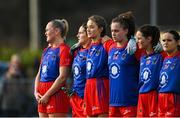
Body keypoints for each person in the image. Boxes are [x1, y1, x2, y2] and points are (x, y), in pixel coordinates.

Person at [34, 19, 72, 117]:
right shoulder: (46, 50)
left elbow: (63, 77)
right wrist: (35, 91)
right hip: (42, 94)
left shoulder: (64, 49)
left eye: (47, 30)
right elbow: (39, 73)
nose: (45, 33)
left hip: (55, 94)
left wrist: (47, 95)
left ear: (56, 31)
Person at [108, 11, 143, 117]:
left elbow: (153, 52)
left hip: (130, 101)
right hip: (113, 102)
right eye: (112, 31)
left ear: (126, 31)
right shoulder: (111, 48)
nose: (113, 33)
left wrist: (134, 40)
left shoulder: (134, 48)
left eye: (116, 31)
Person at [84, 15, 114, 117]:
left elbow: (117, 50)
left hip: (101, 85)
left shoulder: (106, 43)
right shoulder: (90, 46)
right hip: (88, 86)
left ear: (100, 29)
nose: (88, 29)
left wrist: (111, 41)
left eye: (92, 27)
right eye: (87, 27)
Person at [136, 25, 164, 117]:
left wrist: (163, 50)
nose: (137, 41)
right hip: (141, 96)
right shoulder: (142, 57)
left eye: (139, 38)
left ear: (149, 39)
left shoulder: (161, 56)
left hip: (154, 96)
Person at [69, 23, 91, 117]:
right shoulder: (76, 50)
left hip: (87, 97)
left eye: (80, 33)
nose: (77, 35)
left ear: (88, 34)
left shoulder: (94, 50)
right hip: (75, 96)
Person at [158, 30, 180, 117]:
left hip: (173, 98)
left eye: (169, 40)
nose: (165, 43)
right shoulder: (164, 58)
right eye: (163, 40)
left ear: (177, 42)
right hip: (161, 98)